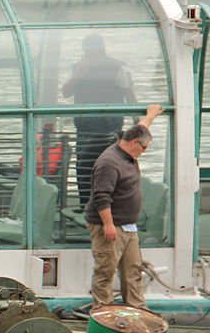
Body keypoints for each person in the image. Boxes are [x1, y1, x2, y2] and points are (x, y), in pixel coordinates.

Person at [84, 104, 164, 310]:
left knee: (133, 269)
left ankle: (137, 309)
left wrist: (150, 116)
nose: (144, 152)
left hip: (128, 226)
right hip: (110, 226)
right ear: (135, 143)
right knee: (105, 271)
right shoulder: (109, 162)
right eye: (144, 147)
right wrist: (108, 225)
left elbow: (141, 128)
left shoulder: (129, 148)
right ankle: (103, 312)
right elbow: (101, 196)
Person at [62, 33, 137, 209]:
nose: (89, 54)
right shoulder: (78, 68)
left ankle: (111, 207)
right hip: (85, 128)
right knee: (84, 168)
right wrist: (77, 75)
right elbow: (66, 92)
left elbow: (129, 94)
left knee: (110, 167)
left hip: (109, 127)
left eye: (92, 50)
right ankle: (86, 207)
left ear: (101, 49)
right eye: (87, 50)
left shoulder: (117, 68)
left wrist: (137, 121)